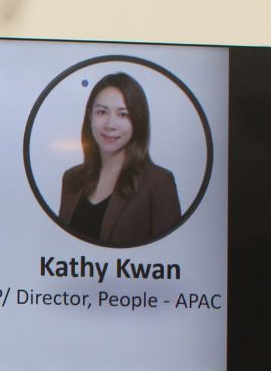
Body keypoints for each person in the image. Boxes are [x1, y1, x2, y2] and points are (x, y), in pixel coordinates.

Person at [55, 72, 181, 246]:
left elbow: (170, 254)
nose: (110, 125)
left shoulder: (159, 183)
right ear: (90, 116)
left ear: (137, 121)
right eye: (102, 112)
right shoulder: (72, 178)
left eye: (123, 114)